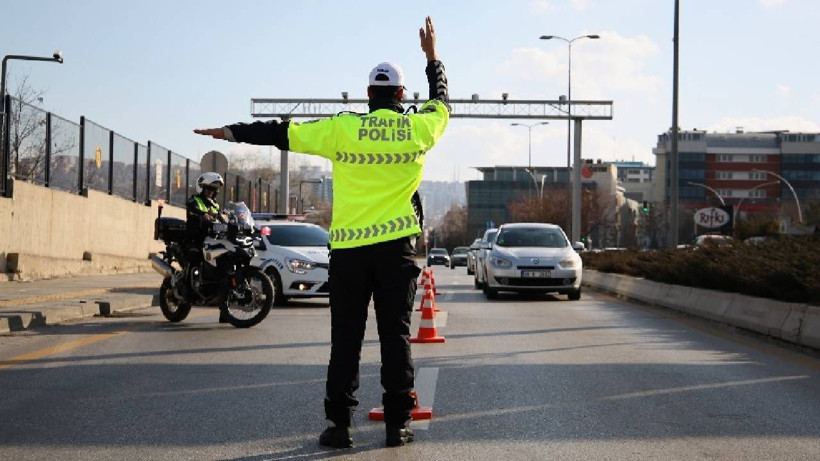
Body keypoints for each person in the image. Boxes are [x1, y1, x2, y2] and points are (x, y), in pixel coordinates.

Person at [194, 16, 449, 448]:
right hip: (396, 252)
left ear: (369, 95)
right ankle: (397, 425)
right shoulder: (418, 127)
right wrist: (432, 57)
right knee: (396, 337)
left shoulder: (342, 127)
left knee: (345, 341)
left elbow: (281, 132)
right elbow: (443, 102)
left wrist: (229, 132)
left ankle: (339, 427)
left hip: (349, 252)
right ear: (402, 96)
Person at [185, 172, 229, 322]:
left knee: (223, 271)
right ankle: (190, 287)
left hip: (212, 241)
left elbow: (221, 218)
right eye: (208, 189)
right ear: (201, 188)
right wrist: (204, 216)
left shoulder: (215, 205)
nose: (211, 192)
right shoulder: (194, 200)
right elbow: (194, 211)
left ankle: (225, 312)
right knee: (195, 257)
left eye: (213, 190)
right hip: (195, 239)